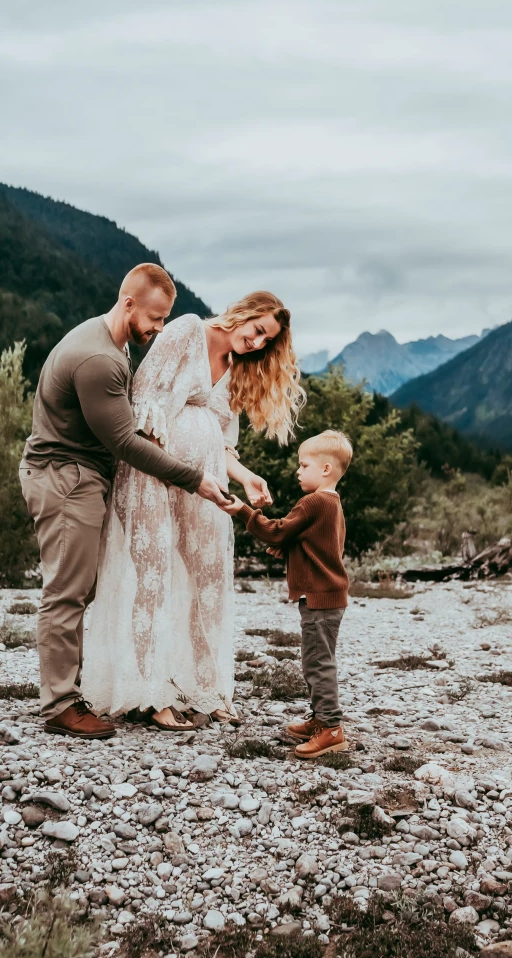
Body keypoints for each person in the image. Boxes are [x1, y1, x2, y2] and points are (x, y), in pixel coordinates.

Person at [19, 264, 230, 740]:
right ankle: (59, 706)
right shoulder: (101, 359)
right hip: (66, 478)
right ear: (129, 302)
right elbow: (127, 443)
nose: (158, 330)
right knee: (67, 593)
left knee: (79, 588)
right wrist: (196, 479)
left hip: (76, 477)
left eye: (165, 320)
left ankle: (67, 692)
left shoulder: (108, 341)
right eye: (154, 318)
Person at [82, 291, 304, 730]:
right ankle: (150, 694)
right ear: (244, 312)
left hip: (205, 485)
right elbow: (143, 403)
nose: (257, 343)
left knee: (208, 578)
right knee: (153, 579)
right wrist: (175, 468)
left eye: (267, 341)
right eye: (258, 330)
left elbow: (221, 440)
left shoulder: (239, 368)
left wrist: (245, 477)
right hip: (155, 475)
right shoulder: (186, 330)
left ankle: (206, 688)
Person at [225, 429, 352, 758]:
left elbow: (276, 532)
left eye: (303, 464)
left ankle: (330, 728)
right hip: (327, 597)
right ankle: (320, 719)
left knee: (318, 663)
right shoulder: (332, 503)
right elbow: (315, 544)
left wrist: (242, 511)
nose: (298, 470)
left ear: (325, 469)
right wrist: (293, 548)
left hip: (319, 599)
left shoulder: (313, 502)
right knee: (314, 661)